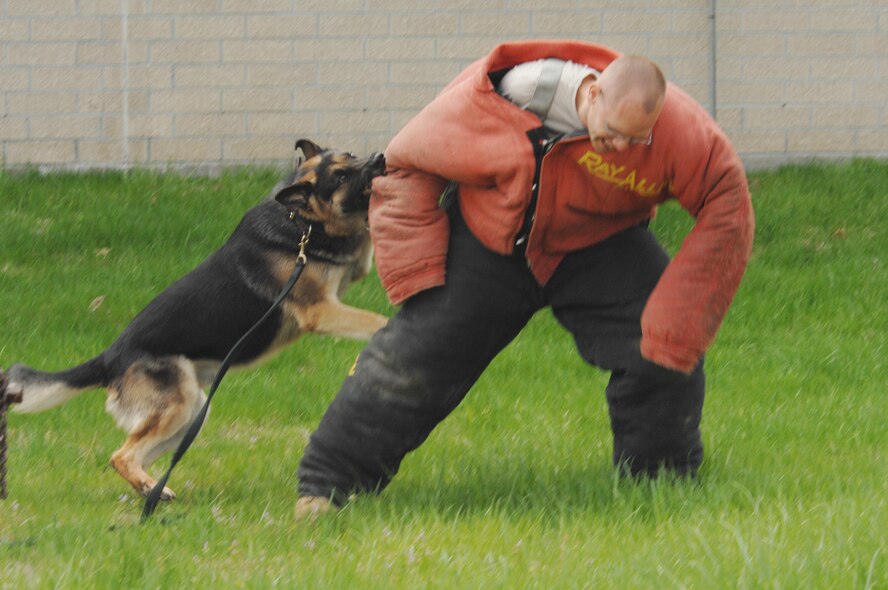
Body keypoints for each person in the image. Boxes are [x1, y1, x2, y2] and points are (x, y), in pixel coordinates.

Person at [293, 39, 755, 520]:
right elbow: (407, 160)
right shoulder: (507, 92)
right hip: (491, 237)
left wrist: (683, 311)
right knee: (412, 357)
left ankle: (661, 485)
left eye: (636, 140)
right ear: (593, 95)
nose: (622, 147)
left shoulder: (681, 132)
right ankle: (327, 484)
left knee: (661, 347)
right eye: (613, 134)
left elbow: (729, 203)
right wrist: (415, 265)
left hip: (601, 242)